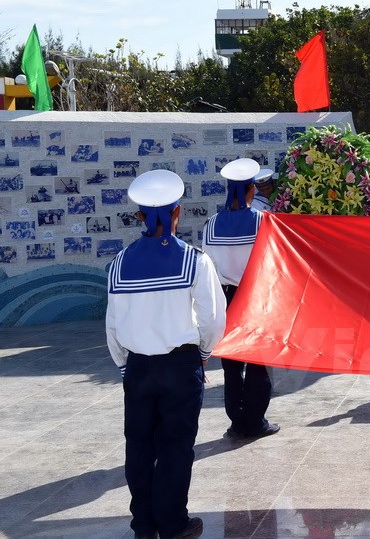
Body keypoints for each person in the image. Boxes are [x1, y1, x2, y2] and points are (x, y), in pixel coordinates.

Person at [106, 169, 227, 539]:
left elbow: (113, 326)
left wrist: (125, 366)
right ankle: (173, 522)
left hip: (138, 368)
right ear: (178, 213)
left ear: (140, 216)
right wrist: (204, 353)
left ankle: (143, 523)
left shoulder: (119, 264)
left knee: (139, 445)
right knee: (176, 446)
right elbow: (212, 317)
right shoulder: (195, 261)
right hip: (180, 364)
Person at [202, 158, 280, 440]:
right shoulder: (263, 221)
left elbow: (209, 268)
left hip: (225, 298)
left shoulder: (211, 225)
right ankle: (256, 420)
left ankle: (237, 421)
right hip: (256, 297)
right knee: (258, 361)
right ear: (250, 191)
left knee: (232, 364)